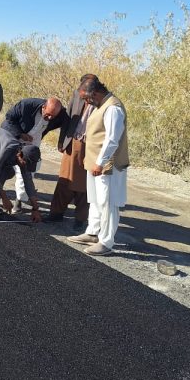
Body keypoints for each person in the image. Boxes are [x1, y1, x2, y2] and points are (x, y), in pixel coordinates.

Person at [68, 78, 129, 256]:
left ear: (94, 93)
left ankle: (106, 242)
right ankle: (93, 232)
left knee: (107, 203)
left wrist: (100, 163)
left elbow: (112, 139)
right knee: (94, 200)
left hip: (107, 165)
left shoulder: (113, 108)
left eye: (86, 98)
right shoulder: (100, 105)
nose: (86, 102)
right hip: (94, 163)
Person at [0, 97, 67, 215]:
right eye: (48, 115)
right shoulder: (26, 105)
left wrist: (61, 141)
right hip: (15, 138)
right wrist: (20, 133)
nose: (50, 118)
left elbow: (67, 125)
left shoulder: (61, 114)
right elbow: (9, 118)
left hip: (33, 142)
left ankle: (19, 200)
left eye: (53, 116)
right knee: (6, 168)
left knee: (26, 171)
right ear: (43, 107)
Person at [49, 74, 99, 229]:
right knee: (64, 180)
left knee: (84, 185)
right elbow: (68, 117)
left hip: (89, 146)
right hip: (72, 142)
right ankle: (56, 214)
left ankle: (80, 219)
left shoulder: (102, 100)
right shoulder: (77, 94)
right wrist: (62, 141)